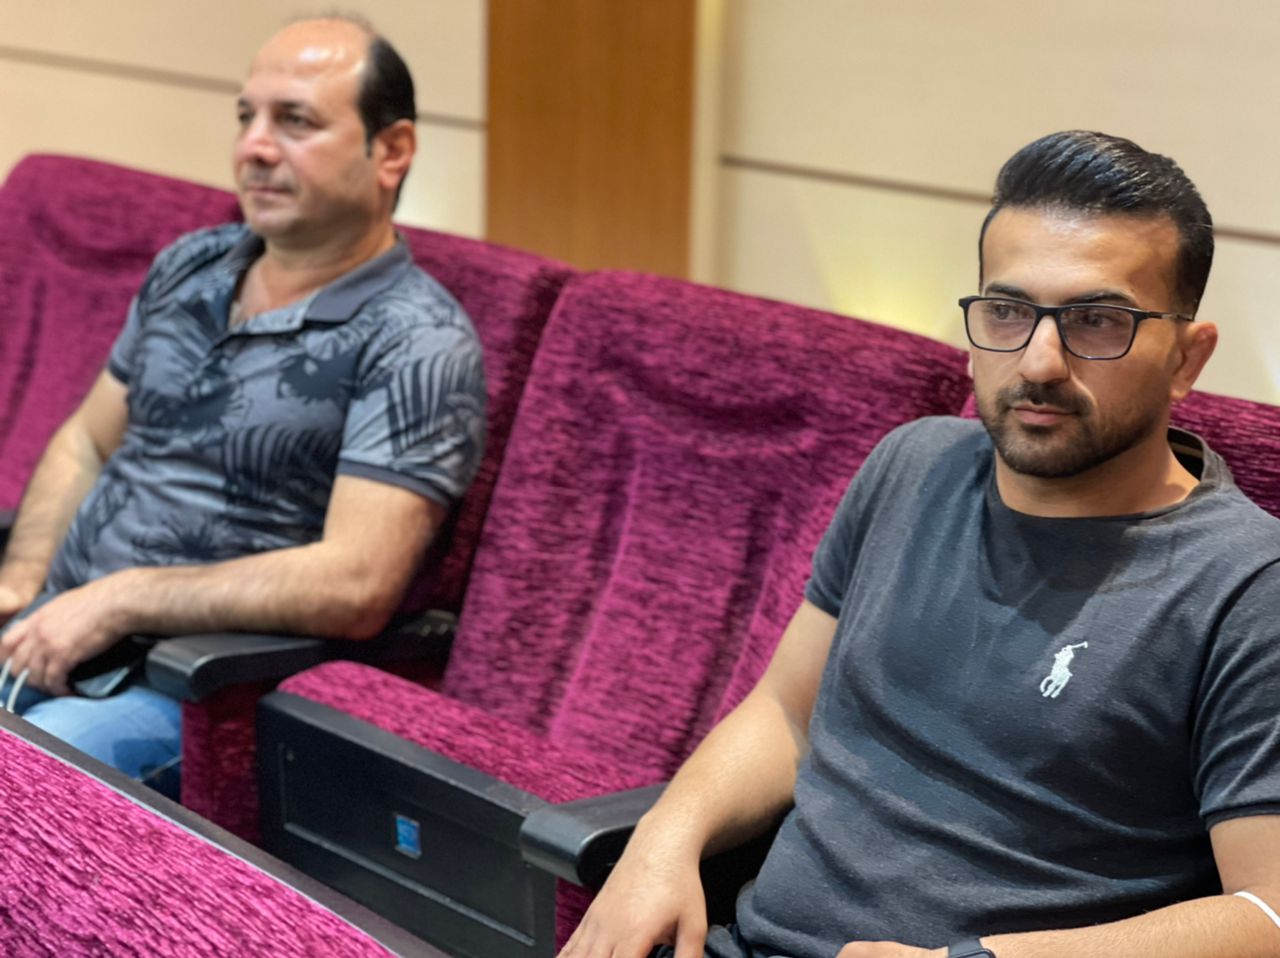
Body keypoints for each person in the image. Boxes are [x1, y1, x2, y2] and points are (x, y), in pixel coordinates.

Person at [560, 131, 1280, 958]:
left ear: (1187, 358)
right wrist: (660, 843)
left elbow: (1268, 911)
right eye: (1007, 311)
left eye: (1096, 322)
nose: (1040, 362)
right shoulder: (911, 464)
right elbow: (788, 711)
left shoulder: (1246, 585)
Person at [0, 17, 486, 798]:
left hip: (196, 688)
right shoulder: (189, 266)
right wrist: (22, 582)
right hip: (57, 630)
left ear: (392, 150)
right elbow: (88, 441)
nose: (254, 146)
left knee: (19, 788)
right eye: (246, 116)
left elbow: (357, 583)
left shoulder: (418, 340)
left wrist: (121, 599)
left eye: (295, 121)